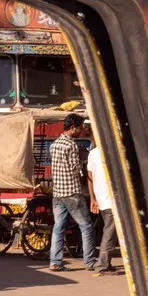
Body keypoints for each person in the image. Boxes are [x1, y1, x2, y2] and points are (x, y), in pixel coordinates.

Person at [49, 113, 97, 272]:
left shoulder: (54, 144)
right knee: (86, 226)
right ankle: (89, 261)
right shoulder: (71, 145)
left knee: (58, 228)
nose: (81, 130)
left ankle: (55, 262)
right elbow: (76, 169)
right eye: (80, 127)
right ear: (73, 128)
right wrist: (84, 160)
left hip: (57, 194)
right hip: (72, 193)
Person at [87, 138, 120, 276]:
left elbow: (90, 177)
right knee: (109, 232)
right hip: (110, 198)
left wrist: (93, 198)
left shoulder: (92, 153)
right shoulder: (111, 153)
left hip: (101, 197)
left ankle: (107, 263)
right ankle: (103, 265)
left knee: (109, 229)